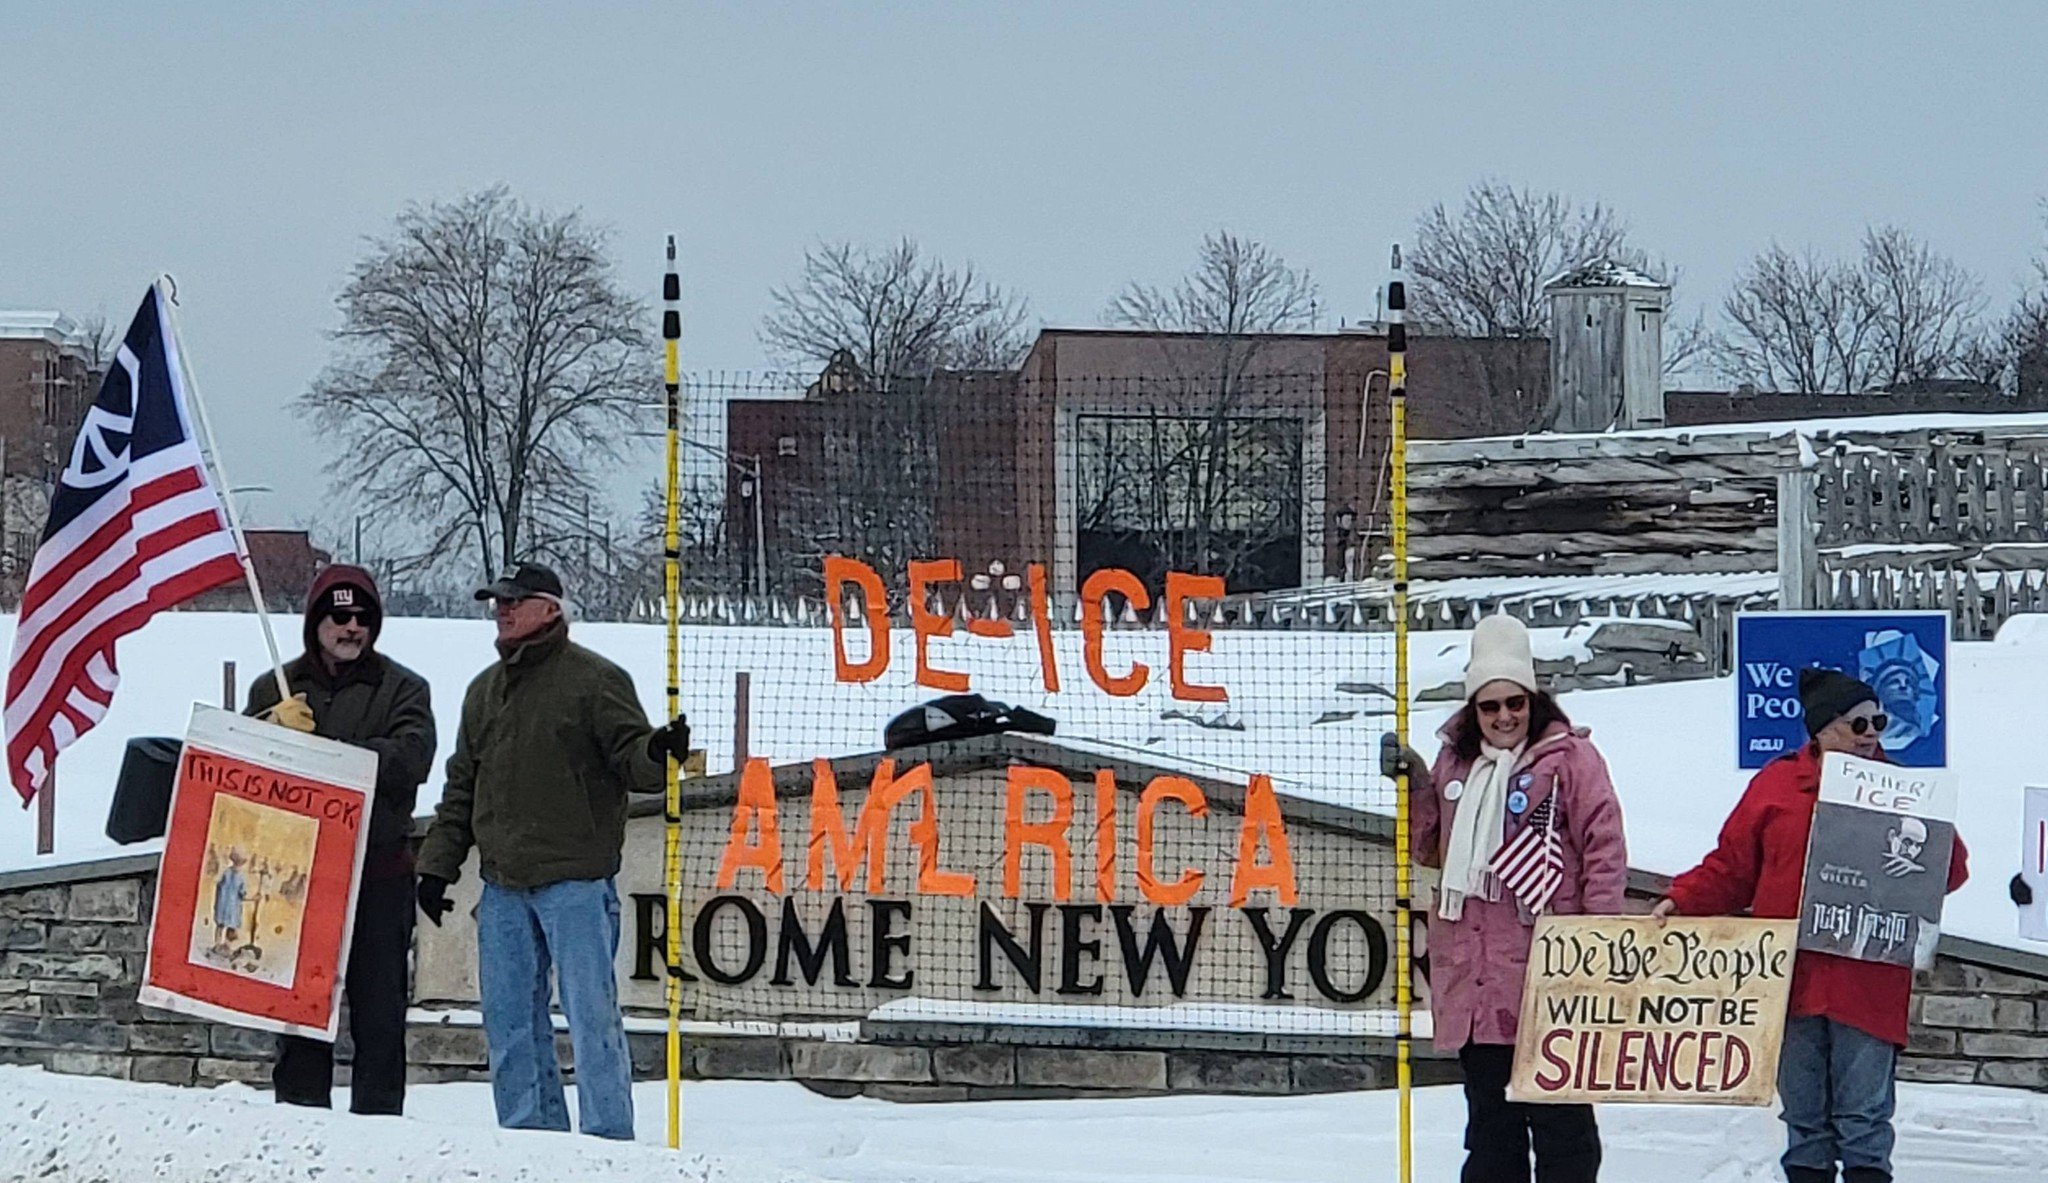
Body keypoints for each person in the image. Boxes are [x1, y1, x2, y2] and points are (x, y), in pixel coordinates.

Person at [1652, 668, 1968, 1183]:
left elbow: (1949, 873)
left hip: (1868, 982)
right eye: (1857, 724)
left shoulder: (1902, 792)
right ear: (1821, 730)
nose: (1871, 735)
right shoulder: (1776, 786)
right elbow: (1732, 869)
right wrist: (1681, 900)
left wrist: (1925, 826)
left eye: (1878, 723)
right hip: (1790, 978)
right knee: (1804, 1121)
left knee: (1864, 1122)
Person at [415, 561, 689, 1142]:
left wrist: (660, 754)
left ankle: (608, 1144)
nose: (502, 611)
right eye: (497, 602)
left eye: (513, 601)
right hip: (503, 887)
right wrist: (437, 866)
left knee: (592, 1021)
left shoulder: (595, 680)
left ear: (551, 608)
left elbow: (633, 761)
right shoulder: (483, 692)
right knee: (510, 1025)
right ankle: (527, 1144)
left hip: (577, 884)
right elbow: (461, 787)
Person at [1382, 614, 1627, 1183]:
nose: (1504, 718)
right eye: (1490, 707)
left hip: (1548, 977)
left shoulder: (1570, 760)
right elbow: (1431, 848)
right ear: (1474, 711)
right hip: (1476, 982)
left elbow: (1604, 848)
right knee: (1492, 1133)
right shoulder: (1456, 763)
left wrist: (1597, 940)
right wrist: (1417, 785)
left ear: (1533, 700)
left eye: (1514, 703)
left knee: (1562, 1130)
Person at [246, 563, 436, 1117]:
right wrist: (268, 733)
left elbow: (411, 760)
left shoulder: (405, 689)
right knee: (301, 1013)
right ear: (316, 622)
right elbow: (241, 772)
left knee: (380, 1015)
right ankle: (300, 1121)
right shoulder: (274, 689)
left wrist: (326, 753)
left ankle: (379, 1133)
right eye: (338, 616)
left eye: (362, 618)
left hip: (378, 875)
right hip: (297, 882)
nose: (350, 627)